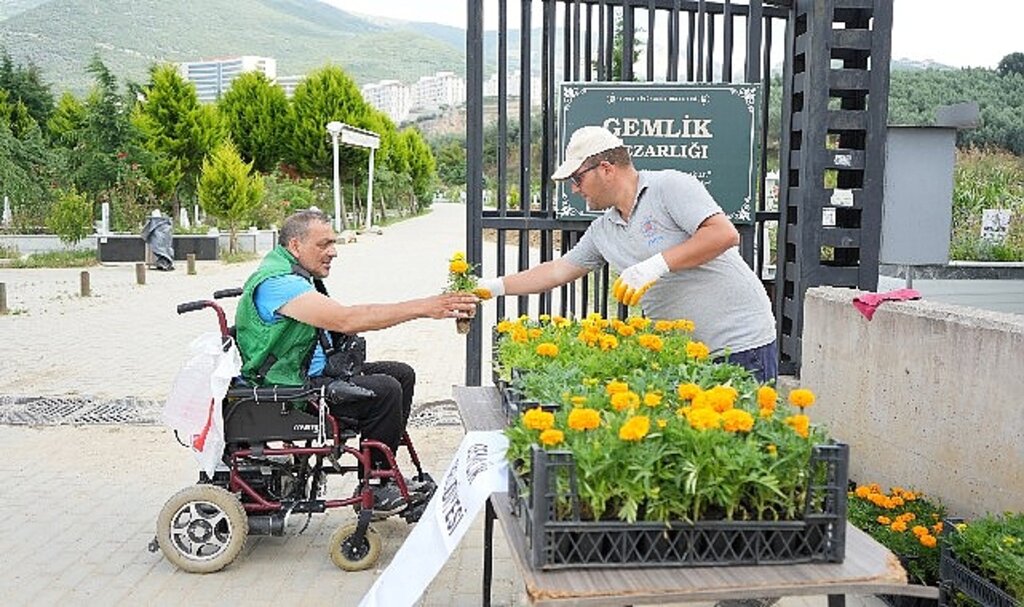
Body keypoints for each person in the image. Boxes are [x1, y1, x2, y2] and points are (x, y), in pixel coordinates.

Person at [476, 125, 778, 382]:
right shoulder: (603, 229)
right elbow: (558, 271)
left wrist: (655, 266)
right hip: (685, 355)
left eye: (577, 179)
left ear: (606, 169)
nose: (574, 190)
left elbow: (723, 234)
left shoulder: (668, 186)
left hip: (740, 345)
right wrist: (494, 287)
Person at [234, 209, 479, 515]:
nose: (333, 252)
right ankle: (376, 487)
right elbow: (346, 319)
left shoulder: (293, 275)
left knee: (401, 375)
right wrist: (424, 307)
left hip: (310, 374)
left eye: (333, 243)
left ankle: (379, 476)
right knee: (385, 389)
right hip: (290, 389)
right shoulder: (278, 284)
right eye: (323, 244)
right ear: (295, 246)